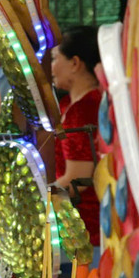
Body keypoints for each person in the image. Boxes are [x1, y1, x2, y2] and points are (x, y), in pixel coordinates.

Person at [49, 26, 103, 247]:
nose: (51, 67)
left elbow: (77, 180)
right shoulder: (69, 104)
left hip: (85, 232)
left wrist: (37, 201)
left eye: (55, 58)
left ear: (74, 63)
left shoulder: (85, 109)